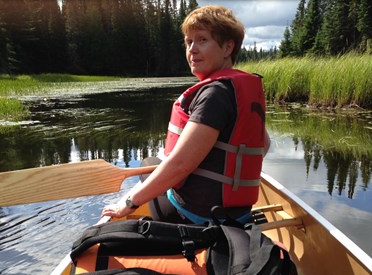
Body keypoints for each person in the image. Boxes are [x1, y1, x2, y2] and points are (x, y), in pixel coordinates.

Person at [102, 5, 270, 224]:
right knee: (153, 162)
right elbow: (263, 145)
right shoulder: (239, 90)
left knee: (149, 163)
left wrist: (128, 203)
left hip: (196, 216)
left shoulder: (214, 94)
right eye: (188, 41)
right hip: (238, 212)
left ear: (228, 47)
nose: (192, 49)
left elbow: (180, 165)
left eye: (202, 40)